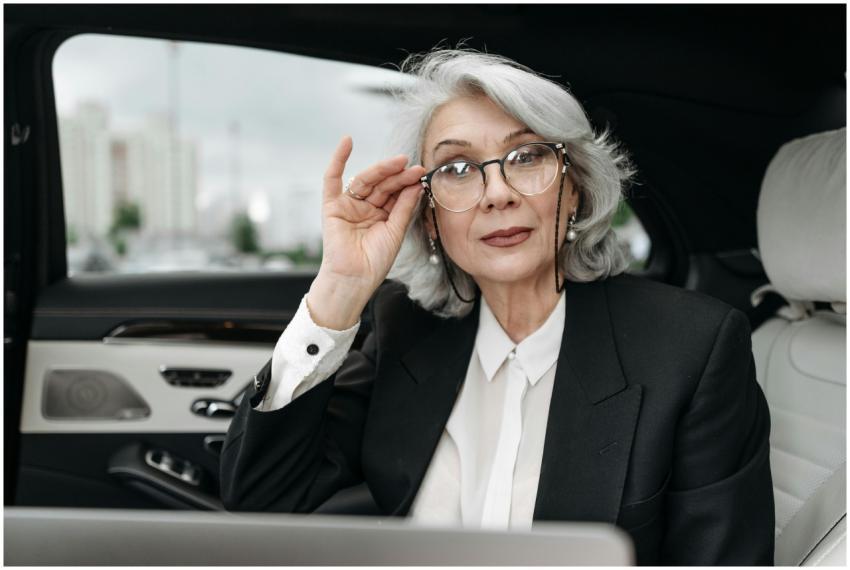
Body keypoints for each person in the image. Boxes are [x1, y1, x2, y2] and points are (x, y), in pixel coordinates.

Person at [220, 49, 774, 565]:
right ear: (430, 217)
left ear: (575, 189)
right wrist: (340, 289)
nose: (497, 193)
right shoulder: (403, 328)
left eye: (527, 156)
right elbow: (263, 500)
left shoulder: (691, 348)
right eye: (458, 169)